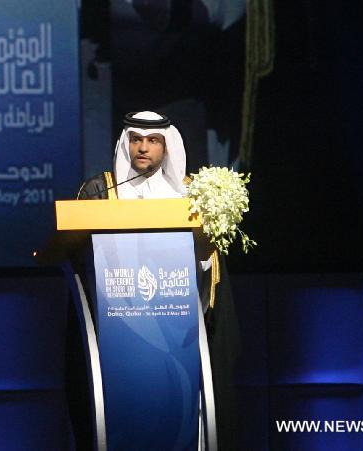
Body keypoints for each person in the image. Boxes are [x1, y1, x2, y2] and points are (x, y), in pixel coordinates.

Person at [75, 110, 241, 450]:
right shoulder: (100, 191)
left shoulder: (193, 196)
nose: (143, 148)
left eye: (153, 141)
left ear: (167, 147)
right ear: (126, 144)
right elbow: (83, 257)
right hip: (121, 330)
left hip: (178, 328)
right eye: (136, 140)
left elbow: (209, 264)